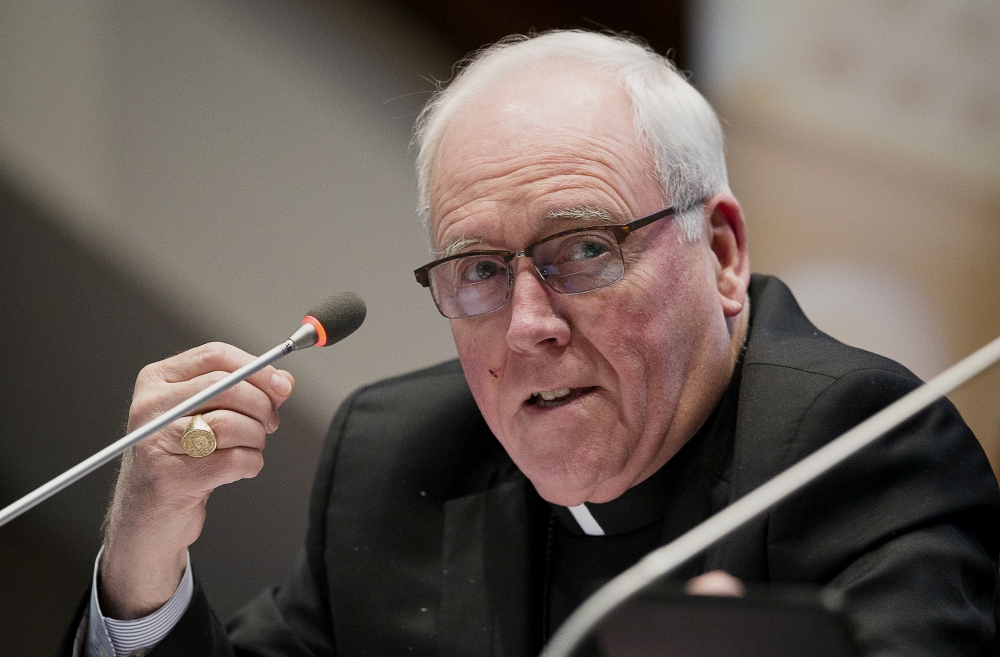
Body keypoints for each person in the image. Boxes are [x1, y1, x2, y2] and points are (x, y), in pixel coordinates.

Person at [64, 31, 999, 657]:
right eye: (477, 268)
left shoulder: (859, 447)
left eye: (585, 250)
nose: (527, 325)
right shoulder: (397, 455)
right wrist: (143, 552)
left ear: (719, 252)